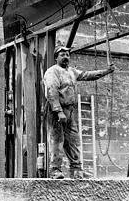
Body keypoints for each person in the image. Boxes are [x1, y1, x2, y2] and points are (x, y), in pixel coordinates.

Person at [43, 44, 114, 179]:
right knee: (57, 140)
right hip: (56, 110)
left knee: (73, 139)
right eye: (62, 55)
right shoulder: (53, 71)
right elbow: (51, 92)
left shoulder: (71, 71)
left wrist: (106, 71)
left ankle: (76, 170)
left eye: (67, 55)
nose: (66, 57)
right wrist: (58, 111)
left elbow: (87, 75)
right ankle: (55, 170)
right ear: (56, 57)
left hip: (69, 110)